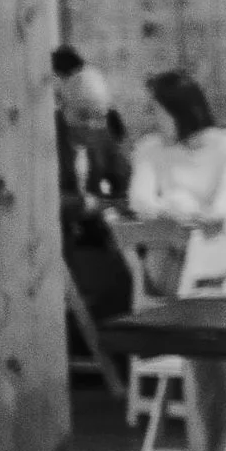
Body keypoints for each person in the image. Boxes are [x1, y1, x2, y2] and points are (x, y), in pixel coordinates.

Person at [54, 56, 133, 319]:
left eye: (98, 116)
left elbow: (126, 183)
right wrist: (87, 204)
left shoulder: (103, 134)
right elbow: (46, 202)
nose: (90, 125)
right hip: (55, 239)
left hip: (93, 237)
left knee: (123, 283)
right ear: (62, 106)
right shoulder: (46, 136)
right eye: (82, 116)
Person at [130, 71, 226, 236]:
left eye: (155, 111)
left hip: (222, 248)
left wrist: (183, 209)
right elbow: (140, 201)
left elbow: (223, 210)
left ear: (180, 112)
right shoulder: (149, 148)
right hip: (168, 246)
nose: (151, 119)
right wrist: (175, 206)